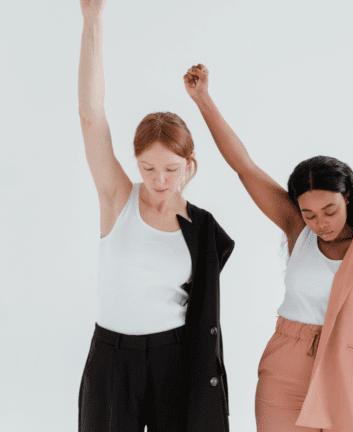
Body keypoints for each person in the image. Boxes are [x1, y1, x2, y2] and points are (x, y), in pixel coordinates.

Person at [184, 64, 353, 432]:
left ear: (348, 198)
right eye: (309, 214)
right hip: (285, 367)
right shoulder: (299, 231)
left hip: (348, 374)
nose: (321, 223)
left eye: (330, 210)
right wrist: (203, 99)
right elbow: (244, 166)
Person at [77, 2, 234, 431]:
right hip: (112, 357)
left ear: (189, 164)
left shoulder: (201, 228)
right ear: (136, 163)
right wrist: (93, 19)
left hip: (174, 358)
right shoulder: (118, 198)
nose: (159, 180)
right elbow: (91, 116)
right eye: (147, 168)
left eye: (170, 169)